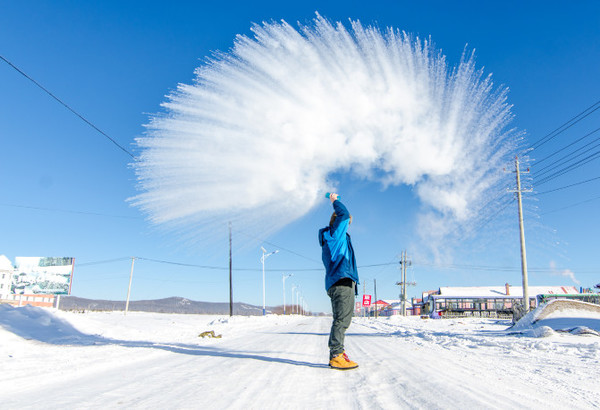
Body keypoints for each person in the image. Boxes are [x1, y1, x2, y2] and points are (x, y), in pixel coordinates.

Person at [318, 192, 359, 370]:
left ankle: (338, 353)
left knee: (342, 320)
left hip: (340, 281)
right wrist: (335, 201)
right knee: (342, 321)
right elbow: (343, 214)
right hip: (341, 282)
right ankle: (336, 355)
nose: (347, 225)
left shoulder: (334, 238)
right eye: (347, 223)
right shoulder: (334, 235)